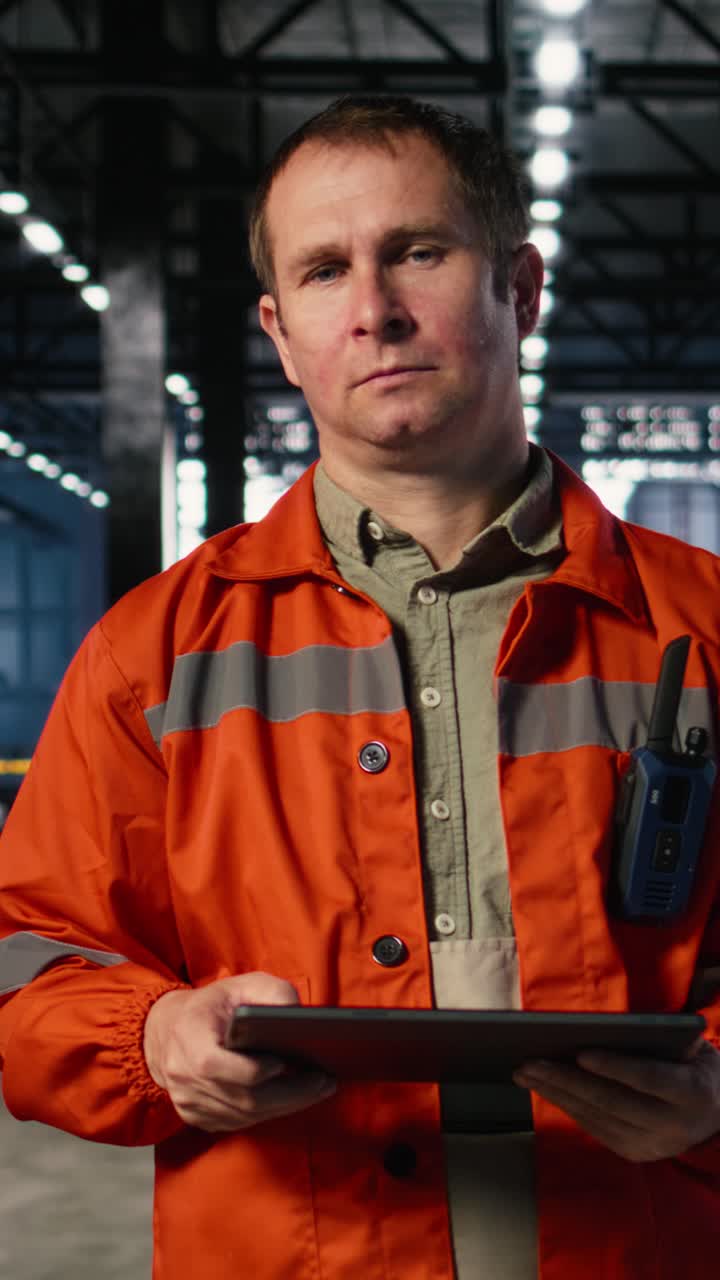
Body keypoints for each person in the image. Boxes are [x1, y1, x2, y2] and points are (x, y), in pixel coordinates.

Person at [1, 94, 720, 1280]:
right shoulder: (156, 653)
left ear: (520, 288)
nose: (376, 310)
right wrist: (151, 1033)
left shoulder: (698, 631)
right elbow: (33, 971)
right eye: (327, 270)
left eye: (418, 252)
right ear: (282, 333)